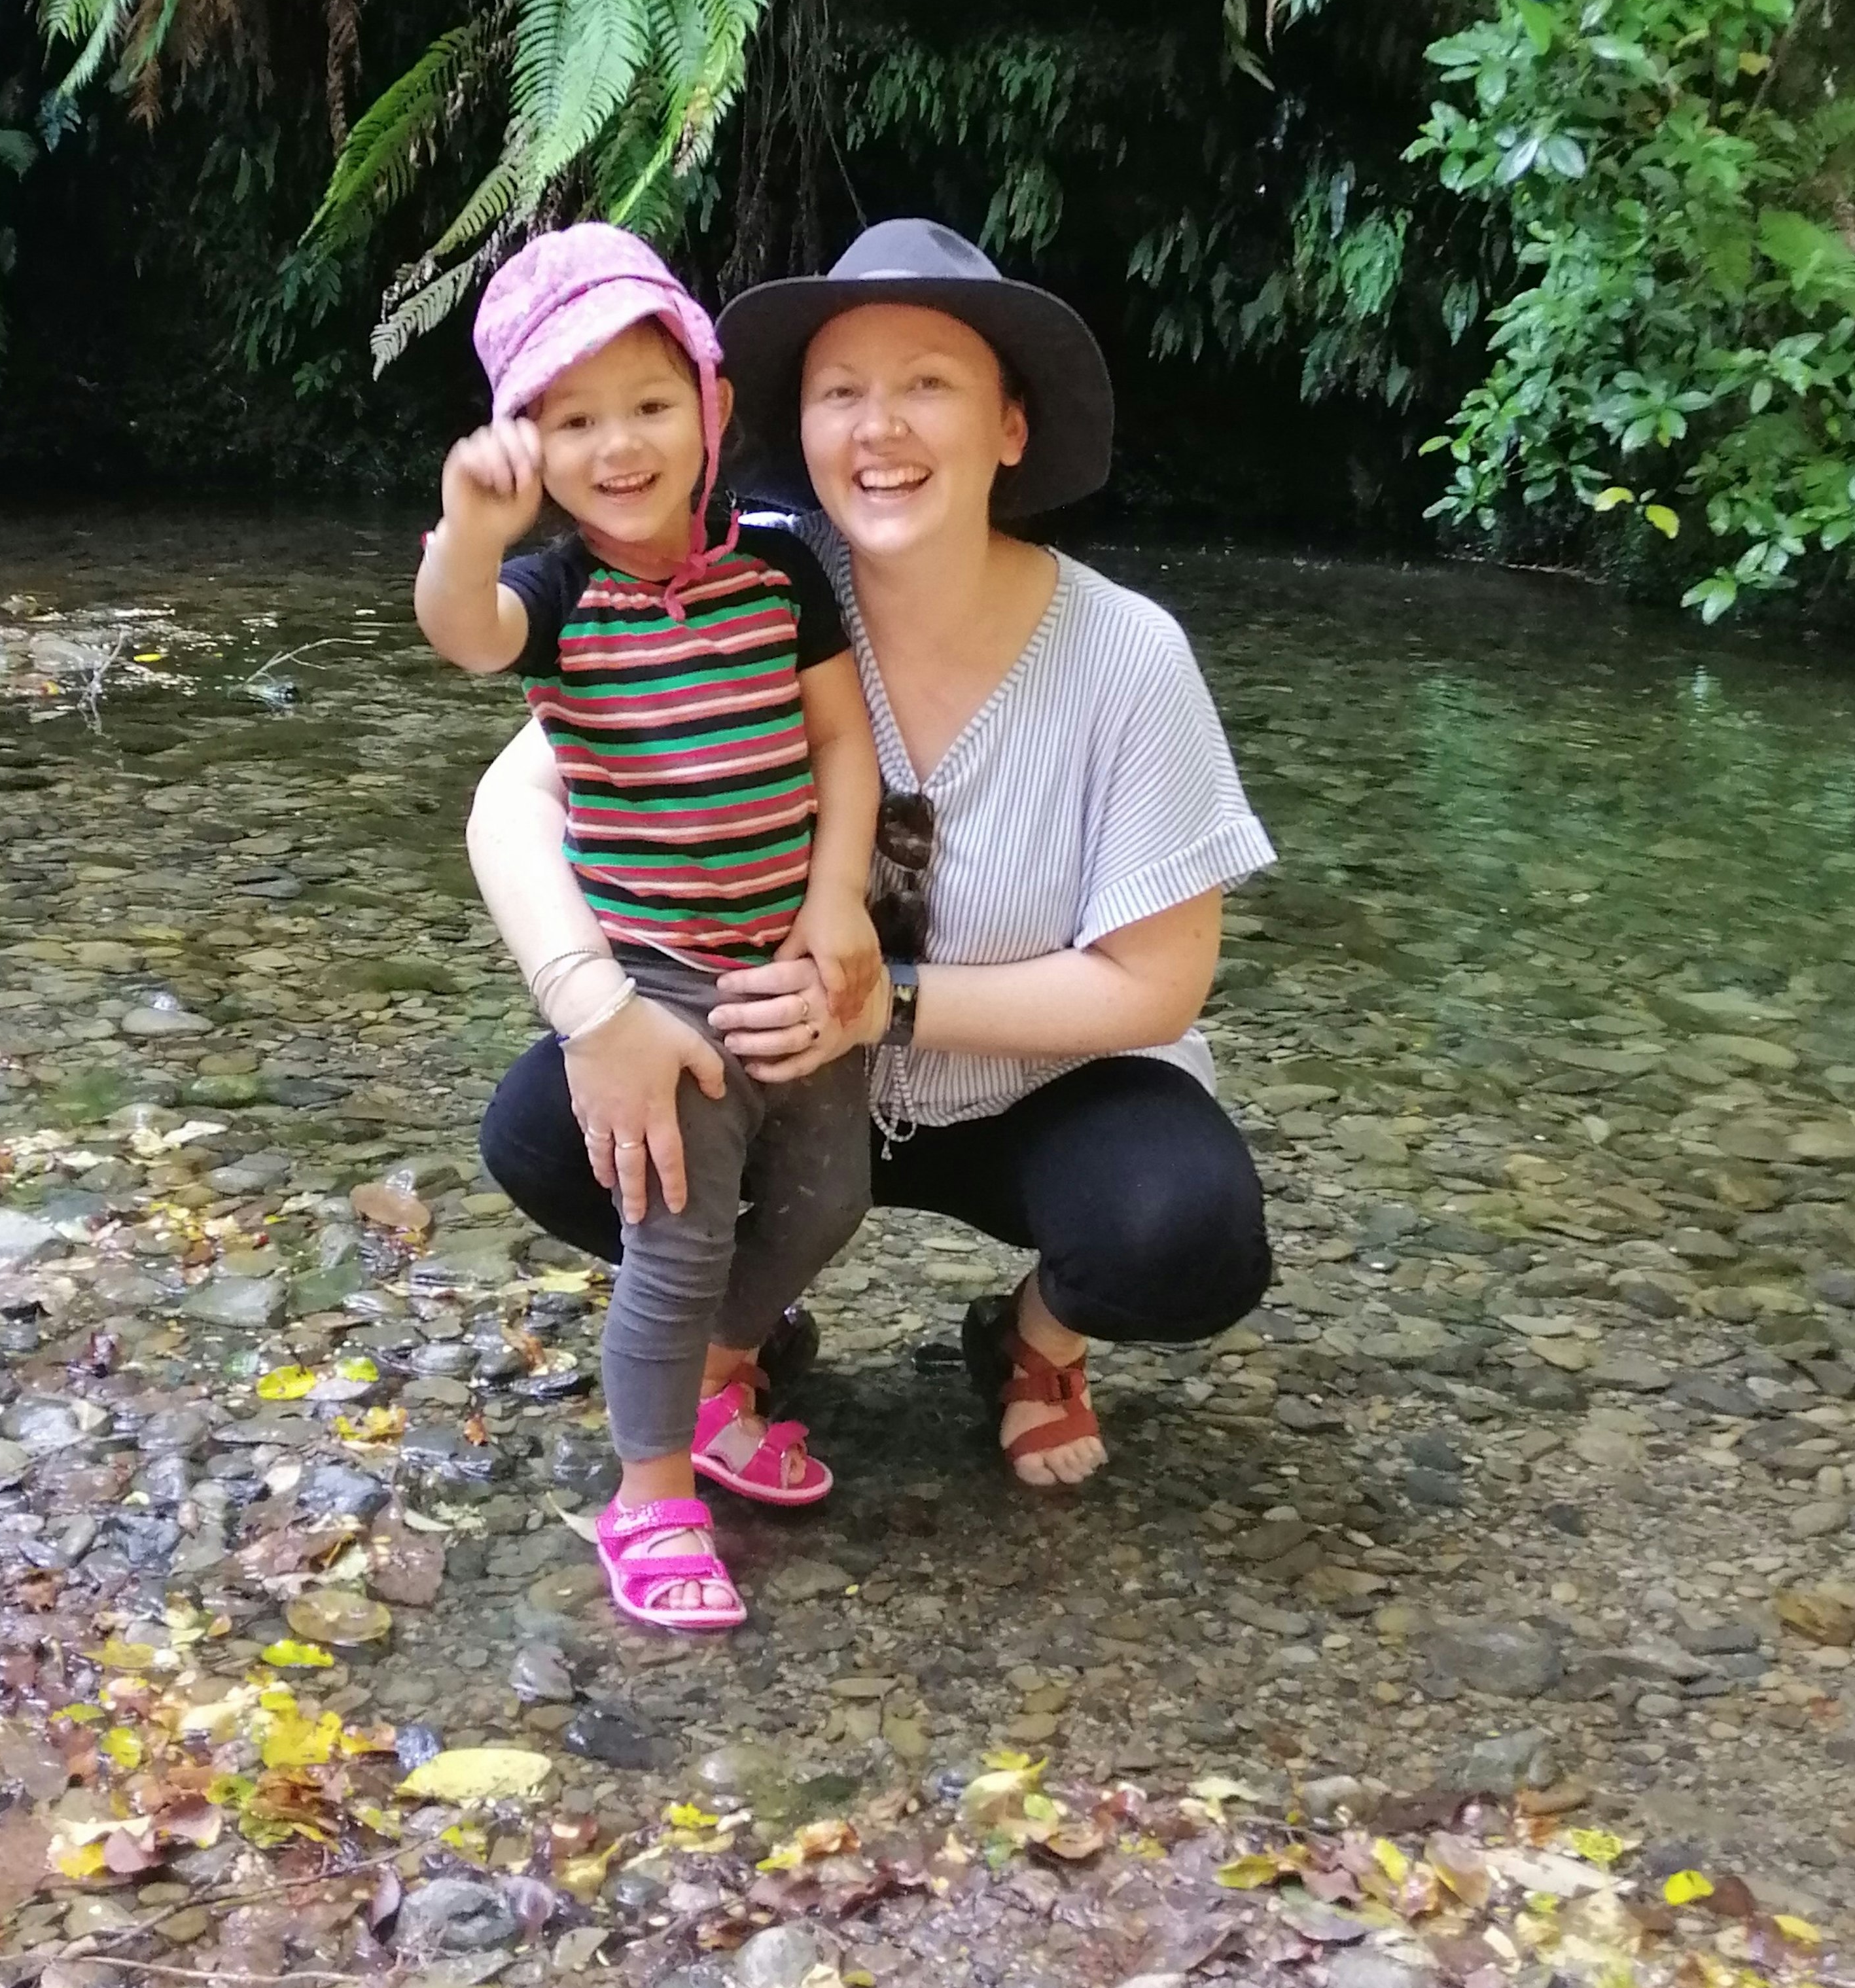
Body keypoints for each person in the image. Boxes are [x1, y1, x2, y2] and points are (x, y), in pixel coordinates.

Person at [474, 219, 1277, 1490]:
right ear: (797, 428)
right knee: (546, 1123)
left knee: (1186, 1228)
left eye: (928, 386)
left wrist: (885, 1003)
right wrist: (593, 1008)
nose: (878, 426)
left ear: (1011, 427)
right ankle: (751, 1313)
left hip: (1030, 1093)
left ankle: (1033, 1340)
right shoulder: (754, 583)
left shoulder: (1128, 654)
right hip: (778, 1073)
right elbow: (507, 807)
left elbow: (1155, 983)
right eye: (842, 391)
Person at [417, 225, 880, 1629]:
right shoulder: (556, 597)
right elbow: (463, 633)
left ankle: (728, 1378)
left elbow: (841, 740)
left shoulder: (785, 571)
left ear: (714, 406)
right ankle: (649, 1487)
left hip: (792, 960)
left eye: (650, 403)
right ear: (526, 442)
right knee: (673, 1235)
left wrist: (837, 898)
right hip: (660, 975)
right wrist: (471, 530)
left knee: (830, 1197)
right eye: (572, 417)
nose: (619, 445)